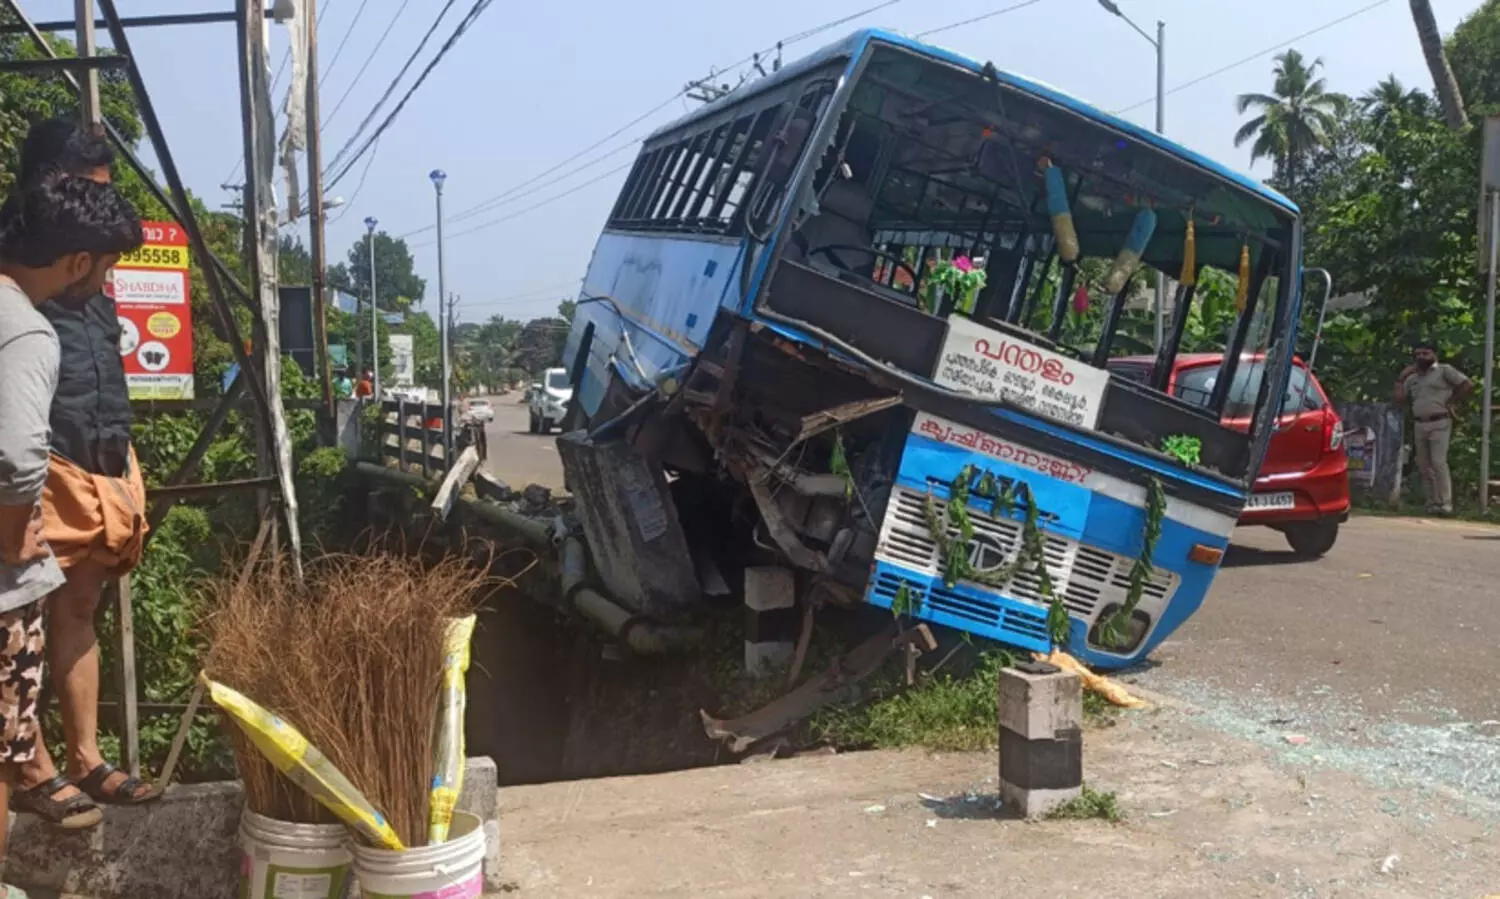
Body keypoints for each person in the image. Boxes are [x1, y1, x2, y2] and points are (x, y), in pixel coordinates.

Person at [8, 119, 156, 831]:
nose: (99, 207)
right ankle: (32, 768)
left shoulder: (90, 262)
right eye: (87, 192)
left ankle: (87, 758)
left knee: (77, 607)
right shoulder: (22, 264)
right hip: (39, 460)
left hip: (101, 452)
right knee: (19, 617)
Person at [1395, 340, 1473, 516]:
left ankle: (1446, 503)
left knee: (1438, 462)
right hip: (1419, 423)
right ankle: (1432, 502)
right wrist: (1401, 378)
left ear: (1434, 354)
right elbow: (1399, 399)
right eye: (1418, 354)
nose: (1421, 357)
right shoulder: (1413, 378)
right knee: (1424, 465)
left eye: (1425, 353)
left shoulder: (1444, 370)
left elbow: (1467, 384)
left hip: (1440, 421)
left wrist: (1452, 401)